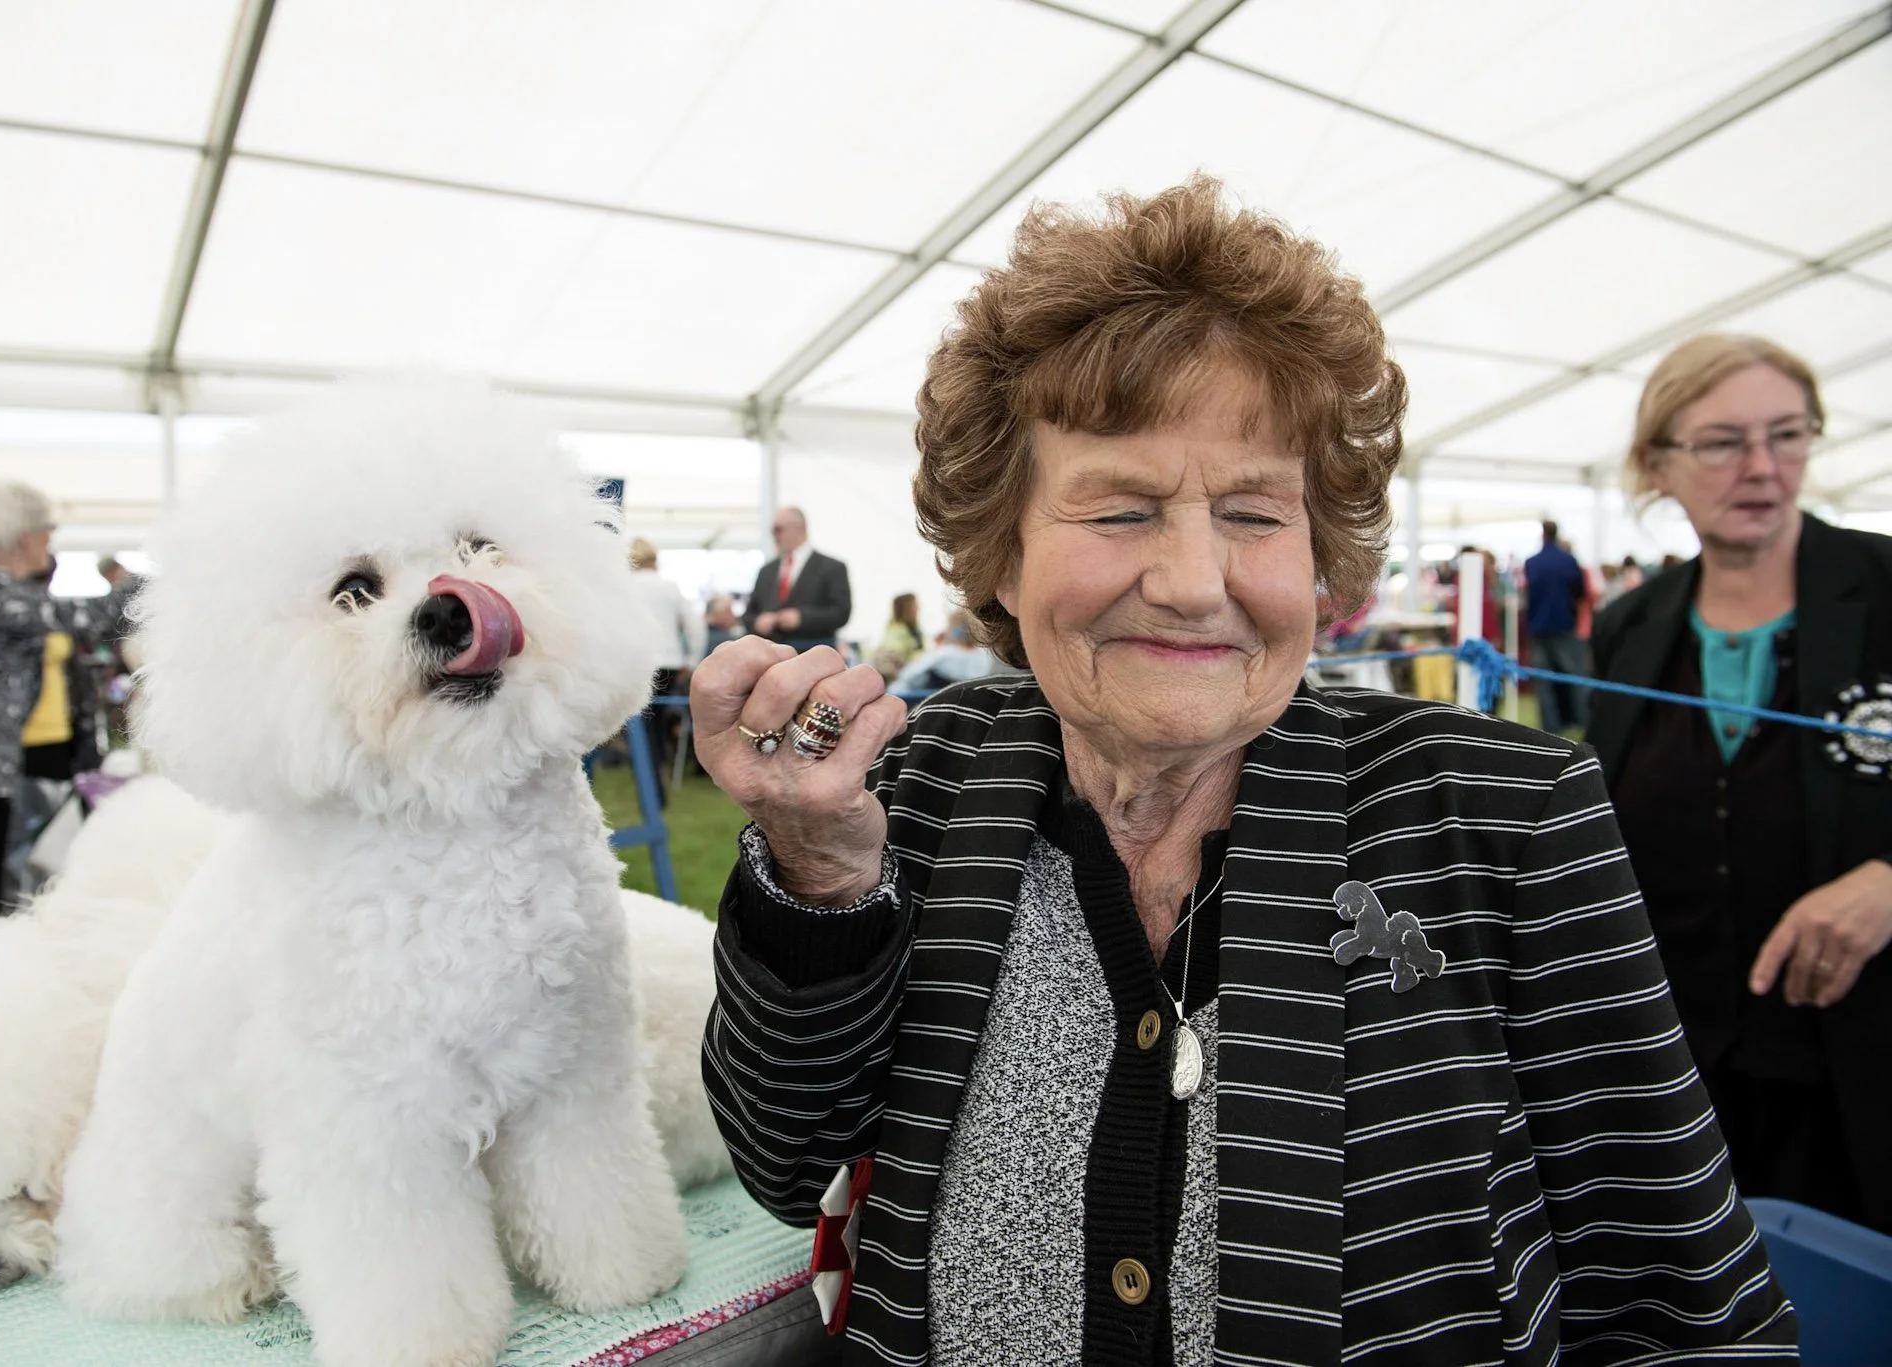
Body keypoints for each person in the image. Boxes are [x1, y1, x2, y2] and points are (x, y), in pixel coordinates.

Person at [691, 179, 1792, 1365]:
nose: (1190, 578)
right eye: (1118, 509)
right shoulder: (929, 779)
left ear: (1321, 558)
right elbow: (786, 1159)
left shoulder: (1501, 813)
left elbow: (1681, 1305)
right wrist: (817, 877)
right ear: (998, 550)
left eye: (1254, 513)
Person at [1589, 333, 1892, 1235]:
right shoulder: (1630, 627)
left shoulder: (1883, 591)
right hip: (1675, 1075)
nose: (1763, 467)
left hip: (1859, 1072)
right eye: (1723, 442)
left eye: (1788, 436)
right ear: (1657, 464)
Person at [0, 481, 137, 919]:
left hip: (50, 756)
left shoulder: (23, 589)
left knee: (47, 883)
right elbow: (79, 618)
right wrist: (138, 585)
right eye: (47, 531)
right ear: (23, 533)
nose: (50, 543)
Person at [629, 538, 702, 802]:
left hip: (639, 664)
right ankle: (657, 777)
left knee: (643, 726)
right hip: (669, 664)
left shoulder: (627, 586)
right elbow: (694, 625)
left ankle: (653, 786)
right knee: (656, 723)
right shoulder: (670, 588)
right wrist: (691, 659)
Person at [741, 508, 851, 652]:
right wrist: (758, 622)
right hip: (772, 656)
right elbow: (748, 614)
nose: (774, 536)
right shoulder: (767, 571)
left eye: (778, 529)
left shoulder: (831, 568)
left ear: (799, 528)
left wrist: (803, 618)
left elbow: (841, 612)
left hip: (813, 654)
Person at [1523, 521, 1590, 731]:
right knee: (1575, 676)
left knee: (1544, 681)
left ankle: (1551, 725)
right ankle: (1582, 720)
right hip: (1564, 625)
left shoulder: (1532, 562)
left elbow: (1529, 594)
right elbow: (1580, 591)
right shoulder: (1568, 560)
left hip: (1539, 626)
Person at [890, 607, 998, 693]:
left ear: (952, 629)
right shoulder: (986, 655)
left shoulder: (944, 654)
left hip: (933, 703)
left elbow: (908, 675)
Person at [871, 593, 926, 681]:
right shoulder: (897, 630)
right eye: (914, 605)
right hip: (902, 677)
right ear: (906, 609)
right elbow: (891, 655)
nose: (918, 608)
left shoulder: (915, 630)